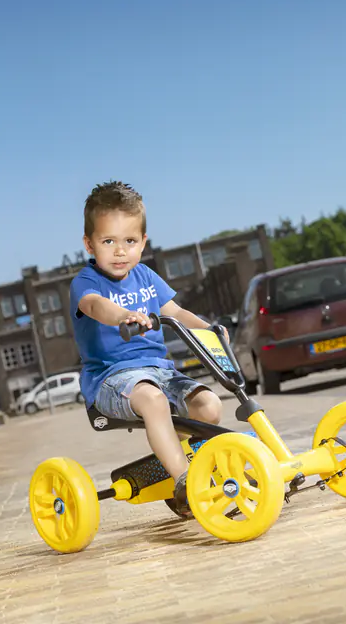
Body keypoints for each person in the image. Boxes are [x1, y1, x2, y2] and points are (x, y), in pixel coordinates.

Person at [69, 180, 225, 515]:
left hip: (160, 372)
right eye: (108, 241)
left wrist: (208, 330)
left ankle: (183, 463)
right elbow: (95, 306)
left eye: (129, 241)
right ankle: (185, 479)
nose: (120, 251)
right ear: (89, 244)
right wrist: (123, 316)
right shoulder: (86, 282)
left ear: (143, 242)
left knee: (209, 406)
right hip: (111, 380)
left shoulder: (147, 277)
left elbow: (176, 313)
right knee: (153, 400)